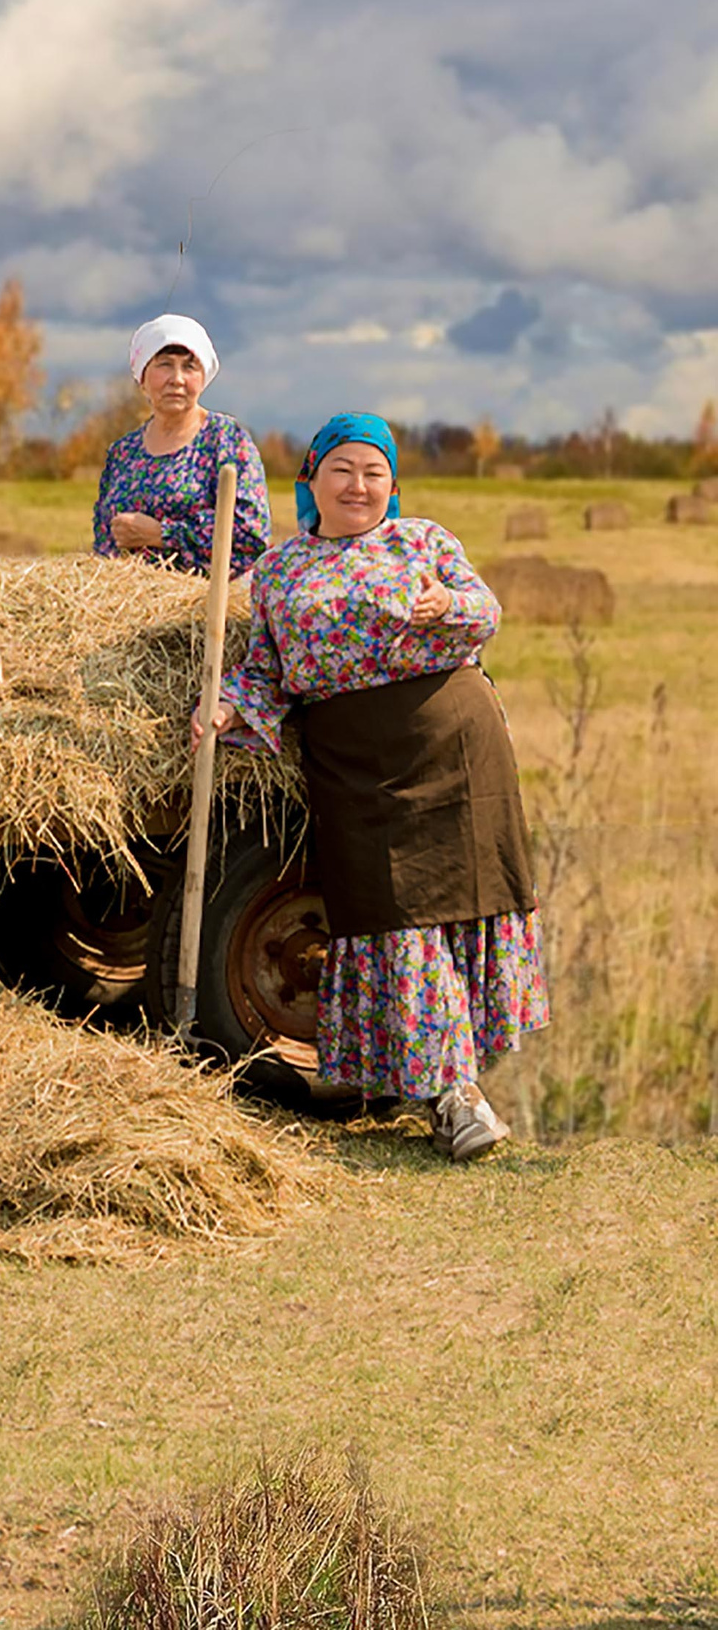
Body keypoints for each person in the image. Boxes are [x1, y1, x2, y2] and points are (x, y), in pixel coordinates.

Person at [193, 413, 547, 1159]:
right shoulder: (283, 569)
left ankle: (454, 1095)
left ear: (392, 483)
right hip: (353, 764)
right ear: (312, 479)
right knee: (394, 916)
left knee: (458, 912)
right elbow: (265, 668)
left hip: (453, 743)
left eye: (374, 472)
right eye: (344, 470)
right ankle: (445, 1085)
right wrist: (228, 706)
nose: (359, 486)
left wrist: (447, 605)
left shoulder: (421, 540)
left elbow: (488, 612)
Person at [95, 313, 271, 576]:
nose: (177, 379)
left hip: (202, 604)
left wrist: (162, 534)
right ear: (142, 378)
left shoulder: (227, 440)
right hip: (128, 603)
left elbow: (251, 535)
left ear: (202, 379)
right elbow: (104, 539)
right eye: (164, 365)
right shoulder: (123, 453)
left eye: (189, 367)